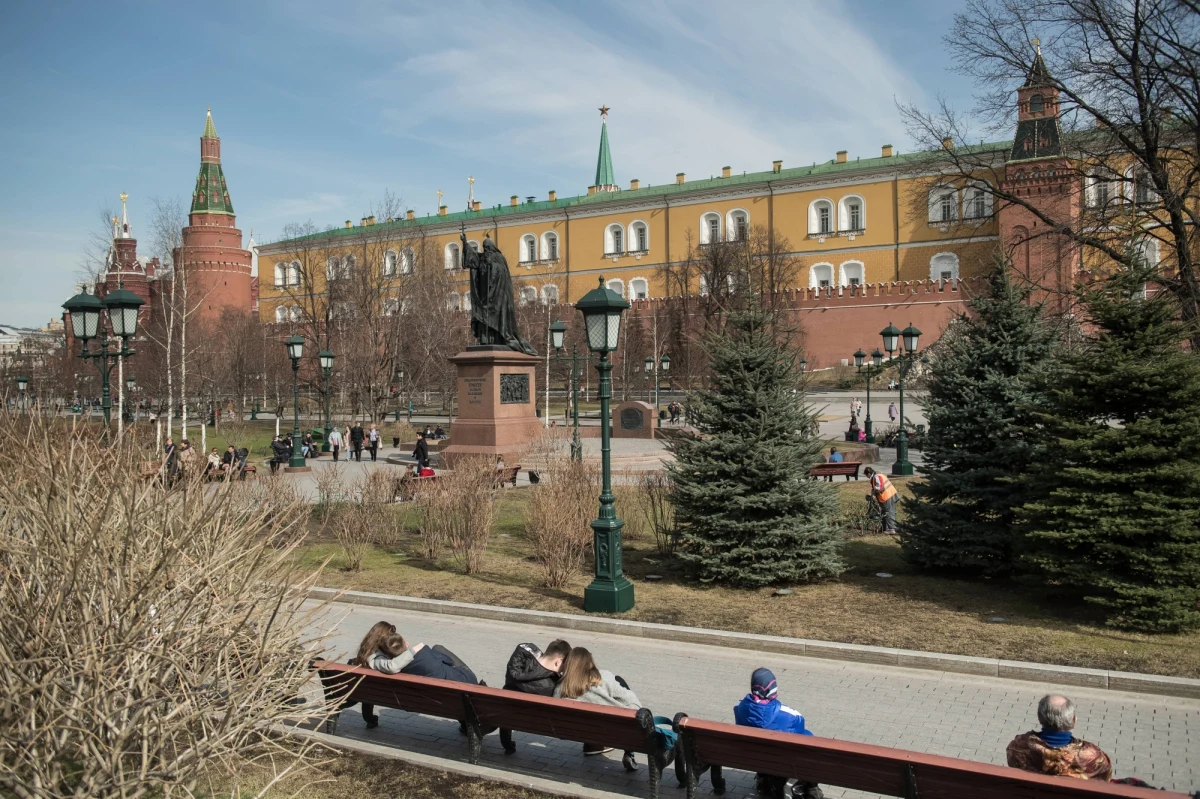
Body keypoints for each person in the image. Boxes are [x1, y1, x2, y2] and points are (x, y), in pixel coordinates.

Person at [733, 668, 824, 799]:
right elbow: (800, 725)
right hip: (782, 759)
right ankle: (811, 787)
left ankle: (763, 778)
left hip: (754, 757)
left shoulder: (739, 708)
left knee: (760, 743)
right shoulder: (789, 715)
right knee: (809, 739)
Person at [554, 647, 640, 772]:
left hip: (580, 730)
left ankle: (592, 744)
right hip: (620, 729)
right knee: (620, 683)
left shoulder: (561, 688)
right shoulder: (604, 677)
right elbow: (633, 703)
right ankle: (629, 752)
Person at [1006, 695, 1113, 782]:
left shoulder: (1019, 746)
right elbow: (1105, 779)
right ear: (1074, 721)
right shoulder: (1092, 755)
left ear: (1039, 718)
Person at [498, 639, 572, 754]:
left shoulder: (517, 667)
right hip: (540, 723)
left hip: (506, 715)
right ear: (558, 662)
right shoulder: (552, 686)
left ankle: (507, 744)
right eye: (565, 666)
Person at [863, 466, 897, 535]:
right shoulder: (878, 475)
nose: (867, 477)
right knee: (884, 512)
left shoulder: (876, 476)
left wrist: (873, 493)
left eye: (866, 475)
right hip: (890, 494)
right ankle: (884, 528)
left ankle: (891, 529)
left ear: (869, 473)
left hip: (887, 496)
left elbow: (879, 487)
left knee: (888, 512)